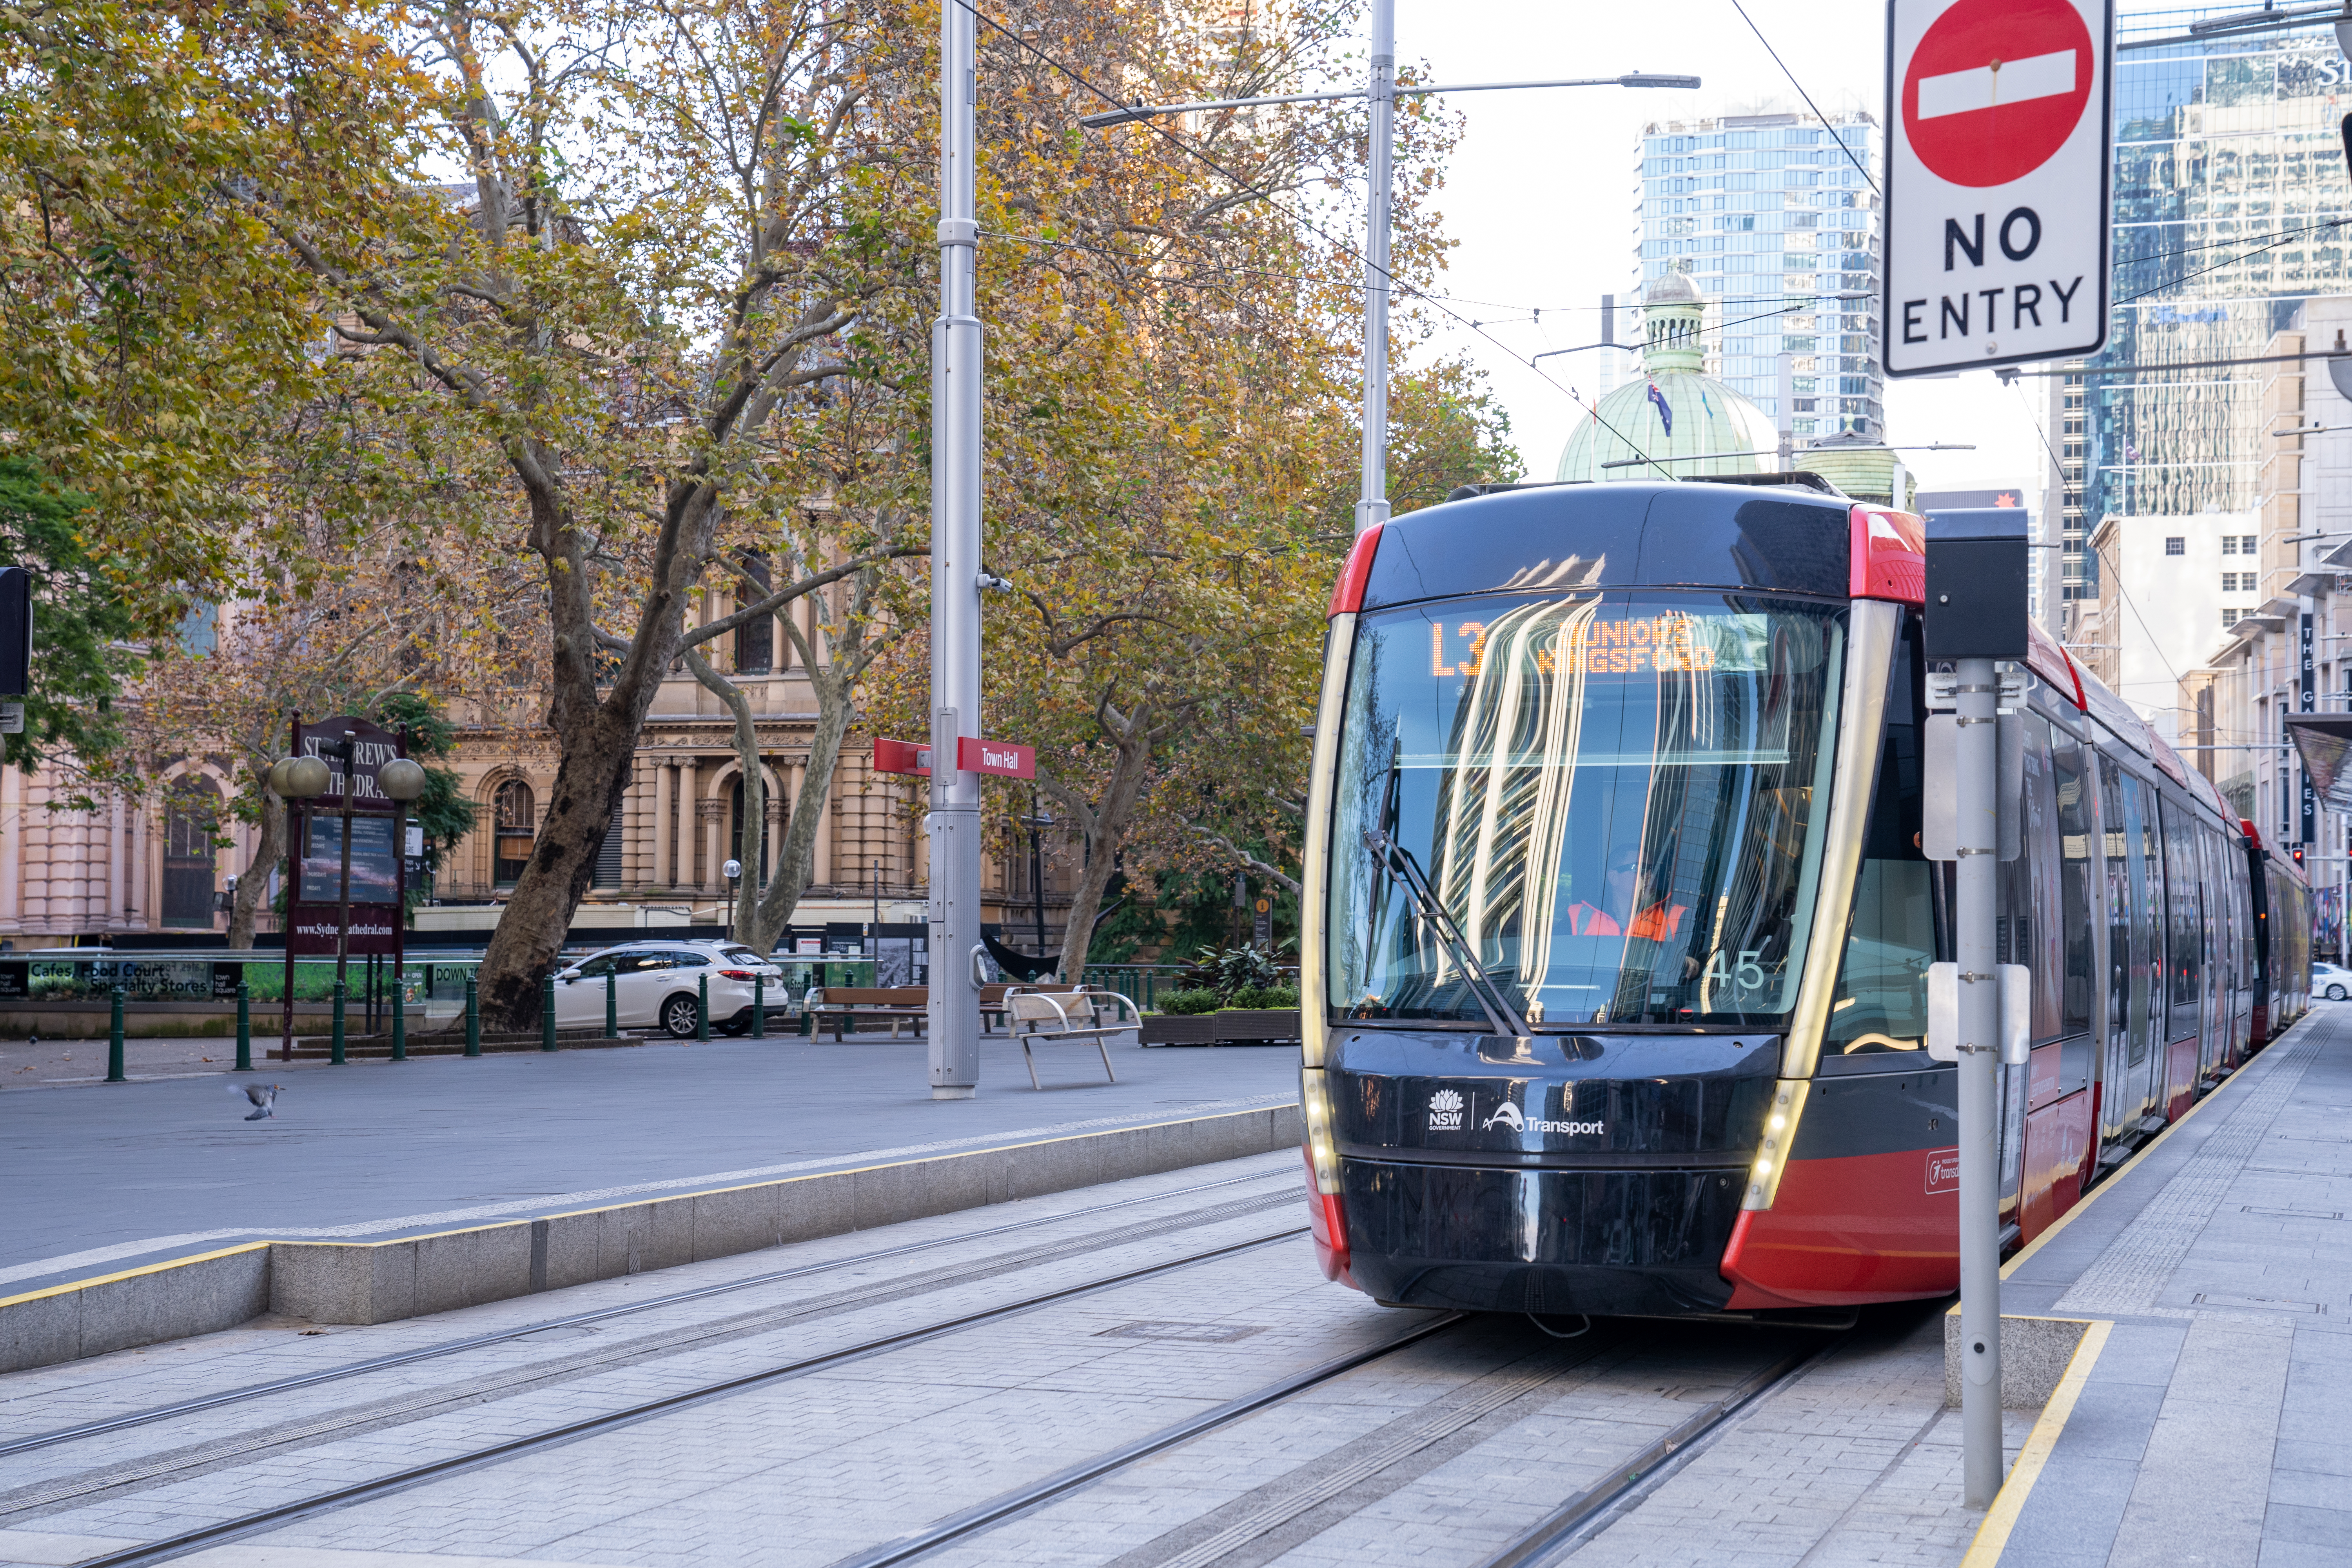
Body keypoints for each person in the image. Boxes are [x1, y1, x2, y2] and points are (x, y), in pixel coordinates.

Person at [1565, 844, 1690, 941]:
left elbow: (1695, 964)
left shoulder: (1677, 916)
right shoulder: (1579, 916)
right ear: (1614, 878)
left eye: (1653, 870)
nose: (1649, 876)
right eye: (1639, 868)